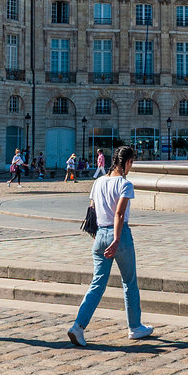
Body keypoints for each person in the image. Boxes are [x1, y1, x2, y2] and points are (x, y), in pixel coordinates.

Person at [67, 145, 151, 347]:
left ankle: (78, 326)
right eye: (132, 163)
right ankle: (135, 327)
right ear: (128, 162)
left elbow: (92, 212)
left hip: (99, 236)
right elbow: (119, 214)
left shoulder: (98, 182)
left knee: (97, 284)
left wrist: (102, 238)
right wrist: (115, 239)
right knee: (129, 282)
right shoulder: (125, 184)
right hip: (119, 236)